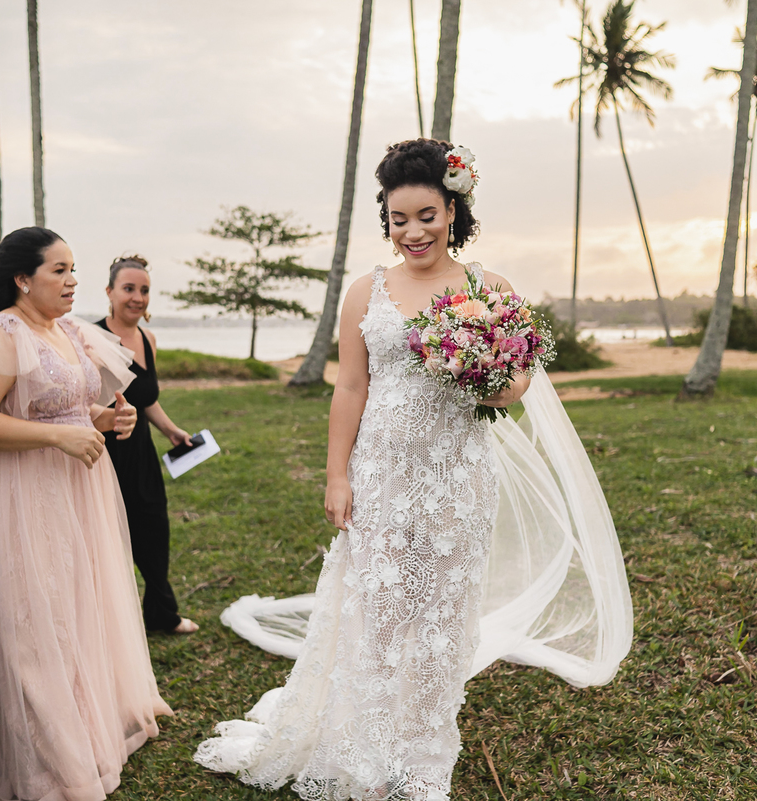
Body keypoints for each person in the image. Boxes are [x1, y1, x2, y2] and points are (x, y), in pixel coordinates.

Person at [194, 139, 633, 800]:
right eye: (398, 219)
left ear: (453, 210)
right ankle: (364, 745)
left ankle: (421, 761)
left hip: (458, 477)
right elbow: (350, 387)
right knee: (379, 613)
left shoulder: (489, 289)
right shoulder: (366, 291)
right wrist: (336, 475)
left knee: (442, 619)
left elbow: (518, 383)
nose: (413, 232)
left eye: (426, 215)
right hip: (380, 477)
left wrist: (482, 377)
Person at [0, 227, 173, 801]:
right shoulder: (2, 333)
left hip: (77, 489)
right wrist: (57, 438)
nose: (72, 280)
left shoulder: (68, 330)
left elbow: (70, 407)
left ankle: (83, 728)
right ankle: (44, 760)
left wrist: (106, 419)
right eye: (58, 270)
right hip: (22, 492)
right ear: (22, 278)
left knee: (74, 605)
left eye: (73, 269)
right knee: (31, 619)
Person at [97, 254, 198, 635]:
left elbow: (145, 399)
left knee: (154, 532)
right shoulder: (91, 339)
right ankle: (109, 624)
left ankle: (160, 613)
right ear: (110, 292)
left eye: (144, 290)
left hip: (141, 453)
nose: (137, 298)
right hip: (103, 454)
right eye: (128, 289)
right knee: (107, 540)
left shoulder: (147, 339)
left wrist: (171, 431)